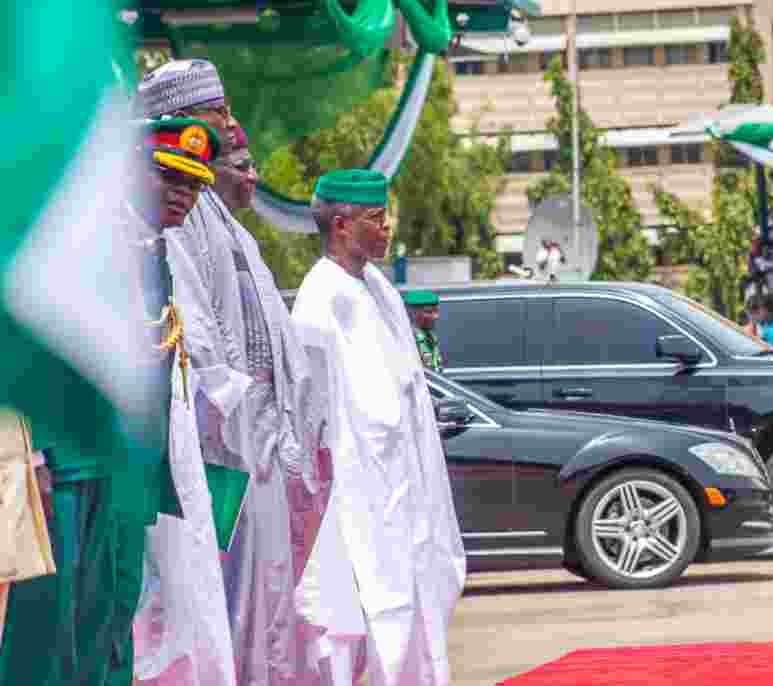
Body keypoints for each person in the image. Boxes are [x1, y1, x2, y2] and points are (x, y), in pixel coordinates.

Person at [0, 118, 217, 686]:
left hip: (125, 470)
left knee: (114, 614)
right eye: (168, 177)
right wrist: (38, 460)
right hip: (69, 463)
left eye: (193, 185)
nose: (182, 195)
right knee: (53, 623)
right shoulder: (80, 240)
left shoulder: (155, 252)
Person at [137, 60, 328, 686]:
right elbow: (198, 346)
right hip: (227, 451)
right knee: (218, 605)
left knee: (262, 606)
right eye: (218, 109)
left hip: (258, 448)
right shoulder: (174, 217)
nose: (231, 121)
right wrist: (258, 426)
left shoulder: (217, 218)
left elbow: (274, 339)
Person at [292, 169, 465, 685]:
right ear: (342, 224)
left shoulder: (379, 290)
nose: (387, 228)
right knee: (347, 624)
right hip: (354, 495)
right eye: (376, 219)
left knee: (413, 610)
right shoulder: (320, 300)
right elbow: (313, 416)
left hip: (402, 488)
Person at [403, 289, 445, 372]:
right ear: (411, 313)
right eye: (429, 312)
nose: (436, 317)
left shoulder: (429, 336)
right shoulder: (408, 339)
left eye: (436, 311)